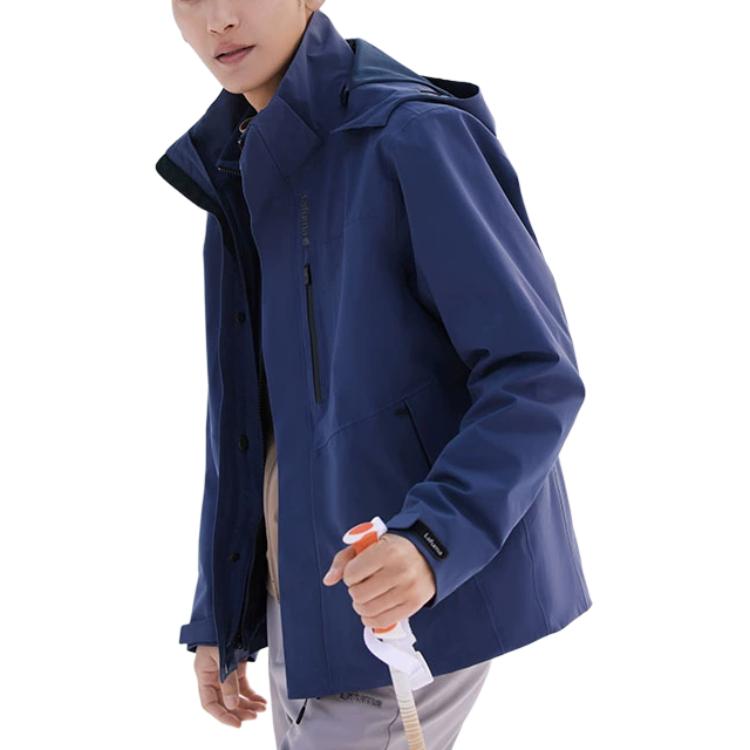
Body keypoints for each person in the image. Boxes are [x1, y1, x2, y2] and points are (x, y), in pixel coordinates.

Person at [158, 2, 592, 747]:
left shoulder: (411, 134)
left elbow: (535, 374)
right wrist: (224, 610)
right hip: (302, 602)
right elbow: (246, 416)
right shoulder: (238, 160)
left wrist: (431, 539)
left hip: (401, 605)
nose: (219, 19)